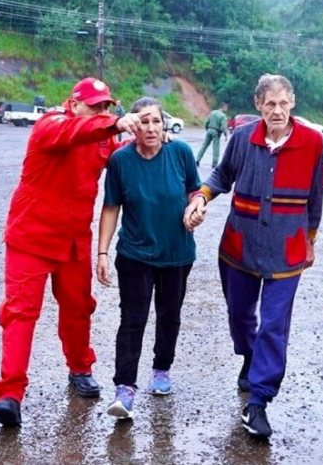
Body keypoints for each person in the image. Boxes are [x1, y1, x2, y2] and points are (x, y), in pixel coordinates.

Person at [0, 77, 153, 427]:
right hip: (30, 237)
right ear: (73, 103)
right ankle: (10, 394)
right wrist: (112, 123)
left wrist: (152, 141)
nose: (101, 111)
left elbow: (125, 157)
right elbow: (75, 132)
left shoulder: (102, 140)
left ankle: (80, 367)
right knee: (20, 313)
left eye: (106, 106)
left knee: (79, 309)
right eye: (94, 105)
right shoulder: (51, 125)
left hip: (74, 240)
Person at [184, 74, 323, 438]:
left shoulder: (312, 142)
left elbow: (315, 196)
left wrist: (310, 238)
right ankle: (248, 355)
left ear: (292, 102)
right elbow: (221, 175)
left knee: (274, 325)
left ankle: (259, 400)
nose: (277, 110)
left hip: (286, 251)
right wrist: (200, 197)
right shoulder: (244, 138)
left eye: (283, 103)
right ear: (259, 105)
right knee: (239, 315)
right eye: (269, 104)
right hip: (239, 247)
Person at [96, 97, 203, 420]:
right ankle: (124, 388)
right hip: (135, 254)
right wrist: (101, 251)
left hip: (177, 253)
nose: (151, 128)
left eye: (156, 121)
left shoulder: (181, 152)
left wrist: (196, 208)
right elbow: (111, 207)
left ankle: (161, 368)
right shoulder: (120, 160)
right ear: (132, 125)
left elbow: (195, 192)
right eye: (144, 121)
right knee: (132, 320)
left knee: (169, 315)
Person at [196, 103, 229, 167]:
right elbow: (223, 127)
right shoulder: (223, 116)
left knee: (204, 146)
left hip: (209, 130)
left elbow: (206, 122)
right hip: (216, 132)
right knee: (216, 148)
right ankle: (214, 163)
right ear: (224, 107)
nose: (227, 110)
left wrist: (207, 129)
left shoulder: (212, 112)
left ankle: (197, 159)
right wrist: (225, 134)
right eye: (226, 108)